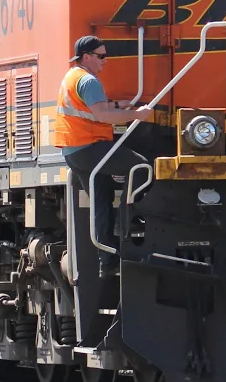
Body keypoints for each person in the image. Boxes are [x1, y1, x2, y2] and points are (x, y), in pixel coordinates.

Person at [56, 35, 153, 278]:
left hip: (74, 151)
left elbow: (96, 108)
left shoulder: (72, 77)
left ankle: (107, 262)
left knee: (101, 202)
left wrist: (119, 106)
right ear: (86, 56)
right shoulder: (89, 81)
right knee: (141, 168)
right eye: (101, 56)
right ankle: (125, 222)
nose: (105, 60)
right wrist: (137, 114)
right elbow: (102, 116)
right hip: (89, 147)